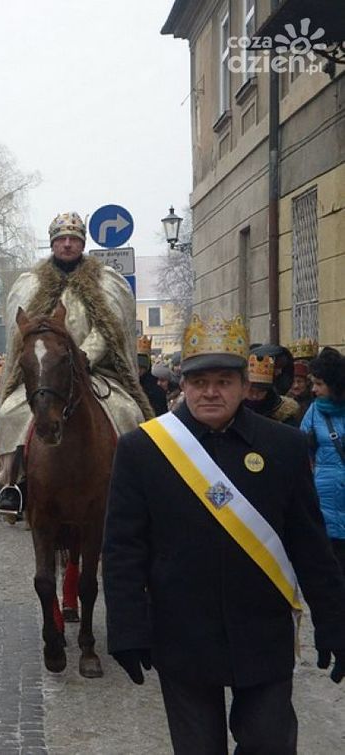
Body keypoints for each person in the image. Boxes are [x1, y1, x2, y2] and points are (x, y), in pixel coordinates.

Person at [103, 315, 345, 754]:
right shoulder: (142, 450)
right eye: (199, 382)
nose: (210, 392)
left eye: (223, 381)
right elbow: (123, 547)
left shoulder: (284, 446)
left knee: (270, 744)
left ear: (244, 384)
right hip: (182, 635)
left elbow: (310, 545)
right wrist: (127, 627)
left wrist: (334, 622)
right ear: (183, 384)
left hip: (263, 633)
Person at [0, 211, 153, 511]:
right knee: (9, 414)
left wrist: (83, 357)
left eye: (73, 239)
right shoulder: (30, 284)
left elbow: (109, 328)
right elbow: (24, 332)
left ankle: (135, 479)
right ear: (52, 244)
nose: (67, 244)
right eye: (61, 239)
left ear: (82, 244)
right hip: (46, 375)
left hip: (92, 370)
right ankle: (13, 483)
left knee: (129, 413)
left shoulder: (106, 282)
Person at [303, 347, 345, 575]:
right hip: (323, 500)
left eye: (319, 384)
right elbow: (301, 452)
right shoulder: (313, 412)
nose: (314, 389)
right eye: (313, 383)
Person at [244, 349, 302, 427]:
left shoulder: (283, 413)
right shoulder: (232, 409)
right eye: (250, 391)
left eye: (261, 392)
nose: (255, 396)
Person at [137, 336, 169, 417]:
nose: (139, 370)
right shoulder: (129, 385)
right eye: (137, 367)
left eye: (142, 367)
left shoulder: (156, 389)